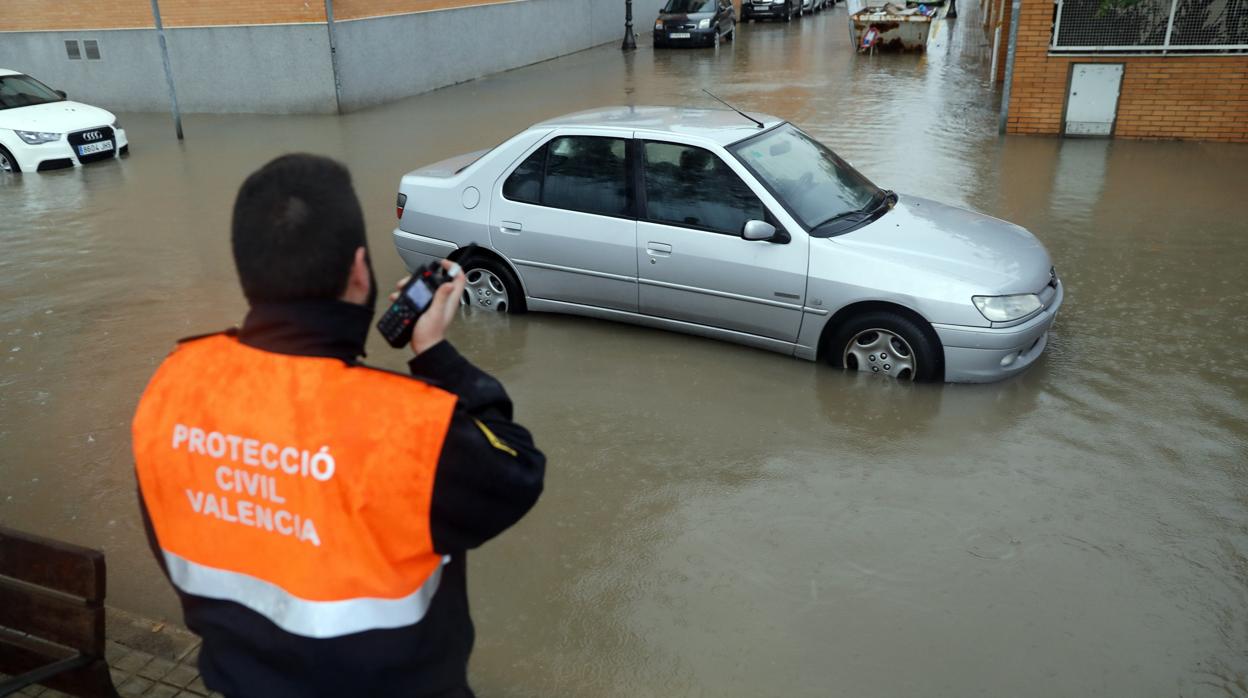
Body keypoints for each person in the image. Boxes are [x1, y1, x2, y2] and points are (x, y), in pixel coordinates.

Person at [131, 154, 545, 698]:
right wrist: (435, 353)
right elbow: (517, 470)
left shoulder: (171, 386)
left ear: (248, 273)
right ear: (357, 271)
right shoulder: (407, 426)